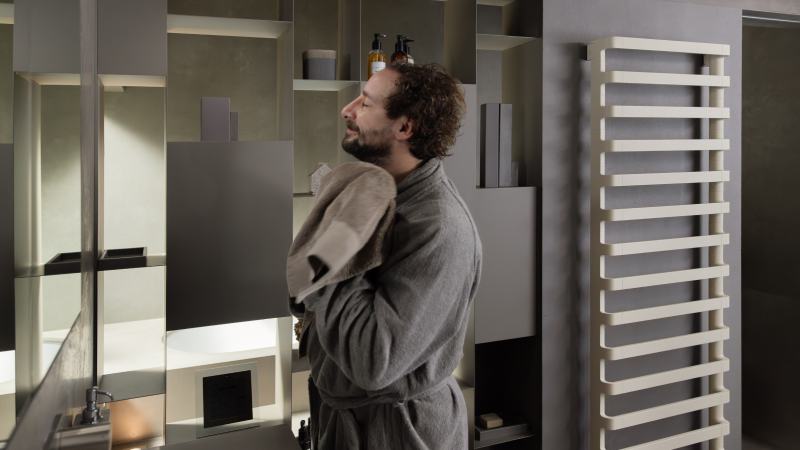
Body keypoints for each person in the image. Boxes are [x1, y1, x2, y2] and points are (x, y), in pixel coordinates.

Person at [290, 63, 482, 450]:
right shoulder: (368, 192)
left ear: (405, 127)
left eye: (366, 103)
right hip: (342, 421)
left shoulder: (439, 227)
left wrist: (336, 249)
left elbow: (375, 361)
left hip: (399, 433)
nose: (347, 109)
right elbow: (301, 292)